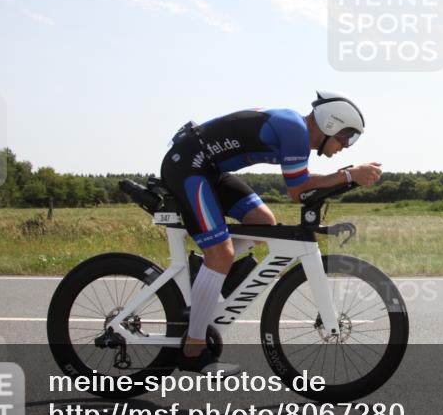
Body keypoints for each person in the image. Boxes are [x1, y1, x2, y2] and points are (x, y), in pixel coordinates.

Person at [160, 91, 382, 374]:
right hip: (188, 166)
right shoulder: (295, 131)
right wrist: (348, 175)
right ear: (330, 124)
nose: (347, 146)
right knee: (221, 253)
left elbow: (304, 186)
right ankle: (193, 349)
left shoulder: (296, 130)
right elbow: (298, 190)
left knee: (263, 221)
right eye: (347, 137)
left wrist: (345, 176)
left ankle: (206, 273)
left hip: (209, 168)